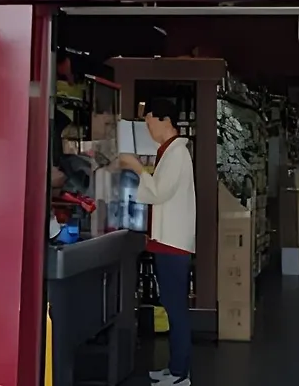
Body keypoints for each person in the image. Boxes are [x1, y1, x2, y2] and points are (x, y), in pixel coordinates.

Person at [118, 98, 195, 386]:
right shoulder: (169, 152)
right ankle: (175, 367)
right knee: (172, 306)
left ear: (166, 121)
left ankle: (180, 374)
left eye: (150, 122)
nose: (148, 129)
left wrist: (138, 168)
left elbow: (159, 192)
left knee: (175, 308)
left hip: (173, 244)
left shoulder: (177, 154)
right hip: (166, 241)